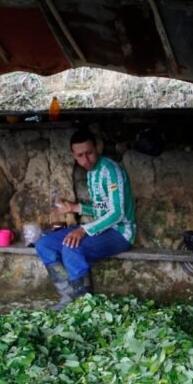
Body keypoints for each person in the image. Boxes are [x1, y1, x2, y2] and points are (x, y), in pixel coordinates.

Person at [35, 129, 136, 311]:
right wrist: (74, 208)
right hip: (102, 229)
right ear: (74, 155)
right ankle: (68, 298)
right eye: (80, 155)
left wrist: (83, 230)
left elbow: (117, 213)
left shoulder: (111, 170)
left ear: (97, 148)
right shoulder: (91, 173)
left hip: (120, 232)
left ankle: (85, 308)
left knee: (72, 248)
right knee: (44, 244)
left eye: (89, 153)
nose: (86, 159)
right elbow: (102, 209)